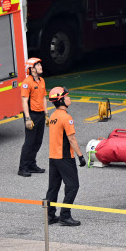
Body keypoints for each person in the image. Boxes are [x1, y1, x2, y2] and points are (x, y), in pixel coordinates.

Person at [46, 87, 85, 226]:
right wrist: (80, 156)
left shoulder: (53, 116)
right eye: (67, 96)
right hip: (65, 157)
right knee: (73, 186)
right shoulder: (66, 117)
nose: (69, 98)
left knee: (53, 187)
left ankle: (49, 216)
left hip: (53, 157)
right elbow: (72, 139)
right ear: (61, 100)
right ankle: (65, 215)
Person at [18, 57, 47, 177]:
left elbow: (44, 98)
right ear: (32, 69)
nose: (41, 67)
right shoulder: (27, 83)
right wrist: (27, 119)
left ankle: (31, 164)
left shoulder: (42, 80)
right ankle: (22, 168)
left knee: (37, 142)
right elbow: (24, 102)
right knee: (29, 142)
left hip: (41, 115)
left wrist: (46, 114)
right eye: (38, 66)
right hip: (32, 115)